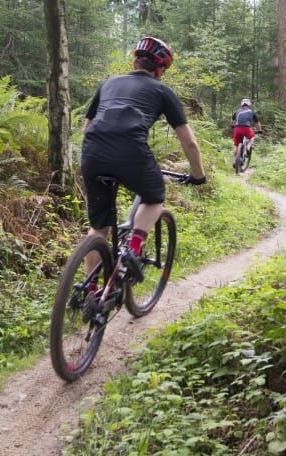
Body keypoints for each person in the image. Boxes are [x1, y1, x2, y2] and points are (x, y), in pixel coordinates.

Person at [81, 36, 207, 282]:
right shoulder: (162, 91)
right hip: (130, 152)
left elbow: (87, 128)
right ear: (159, 69)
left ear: (135, 61)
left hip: (92, 152)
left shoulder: (109, 84)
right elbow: (189, 141)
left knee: (99, 227)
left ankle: (90, 291)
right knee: (155, 196)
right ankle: (133, 248)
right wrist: (198, 176)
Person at [229, 98, 262, 169]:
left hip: (237, 129)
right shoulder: (251, 112)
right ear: (249, 105)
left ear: (241, 105)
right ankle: (248, 146)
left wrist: (232, 125)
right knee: (252, 136)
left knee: (236, 145)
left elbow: (231, 120)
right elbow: (257, 123)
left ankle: (234, 161)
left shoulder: (237, 111)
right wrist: (259, 130)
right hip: (246, 129)